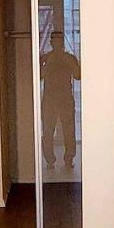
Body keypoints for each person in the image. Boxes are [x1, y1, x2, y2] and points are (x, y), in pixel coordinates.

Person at [40, 32, 81, 165]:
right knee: (48, 130)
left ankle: (69, 158)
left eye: (59, 41)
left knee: (69, 130)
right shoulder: (46, 58)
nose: (57, 44)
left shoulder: (69, 58)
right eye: (55, 41)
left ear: (62, 43)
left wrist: (72, 63)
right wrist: (47, 65)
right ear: (51, 43)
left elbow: (78, 75)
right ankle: (50, 160)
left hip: (65, 98)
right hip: (50, 99)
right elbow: (38, 76)